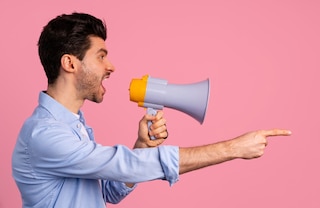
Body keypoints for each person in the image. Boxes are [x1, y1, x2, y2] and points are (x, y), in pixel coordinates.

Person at [12, 12, 292, 208]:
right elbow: (125, 165)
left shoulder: (74, 125)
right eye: (101, 56)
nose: (111, 67)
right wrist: (233, 148)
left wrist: (142, 146)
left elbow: (110, 190)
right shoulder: (45, 135)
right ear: (70, 64)